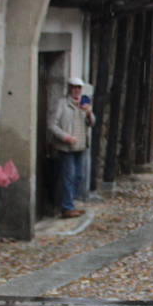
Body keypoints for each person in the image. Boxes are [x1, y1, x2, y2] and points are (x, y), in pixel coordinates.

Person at [49, 76, 92, 218]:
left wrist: (89, 112)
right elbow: (52, 125)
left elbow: (92, 123)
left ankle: (70, 203)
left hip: (80, 146)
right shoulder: (62, 104)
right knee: (69, 176)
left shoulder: (84, 103)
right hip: (66, 147)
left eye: (79, 88)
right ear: (69, 89)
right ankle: (67, 207)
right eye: (74, 87)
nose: (76, 91)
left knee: (78, 176)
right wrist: (65, 137)